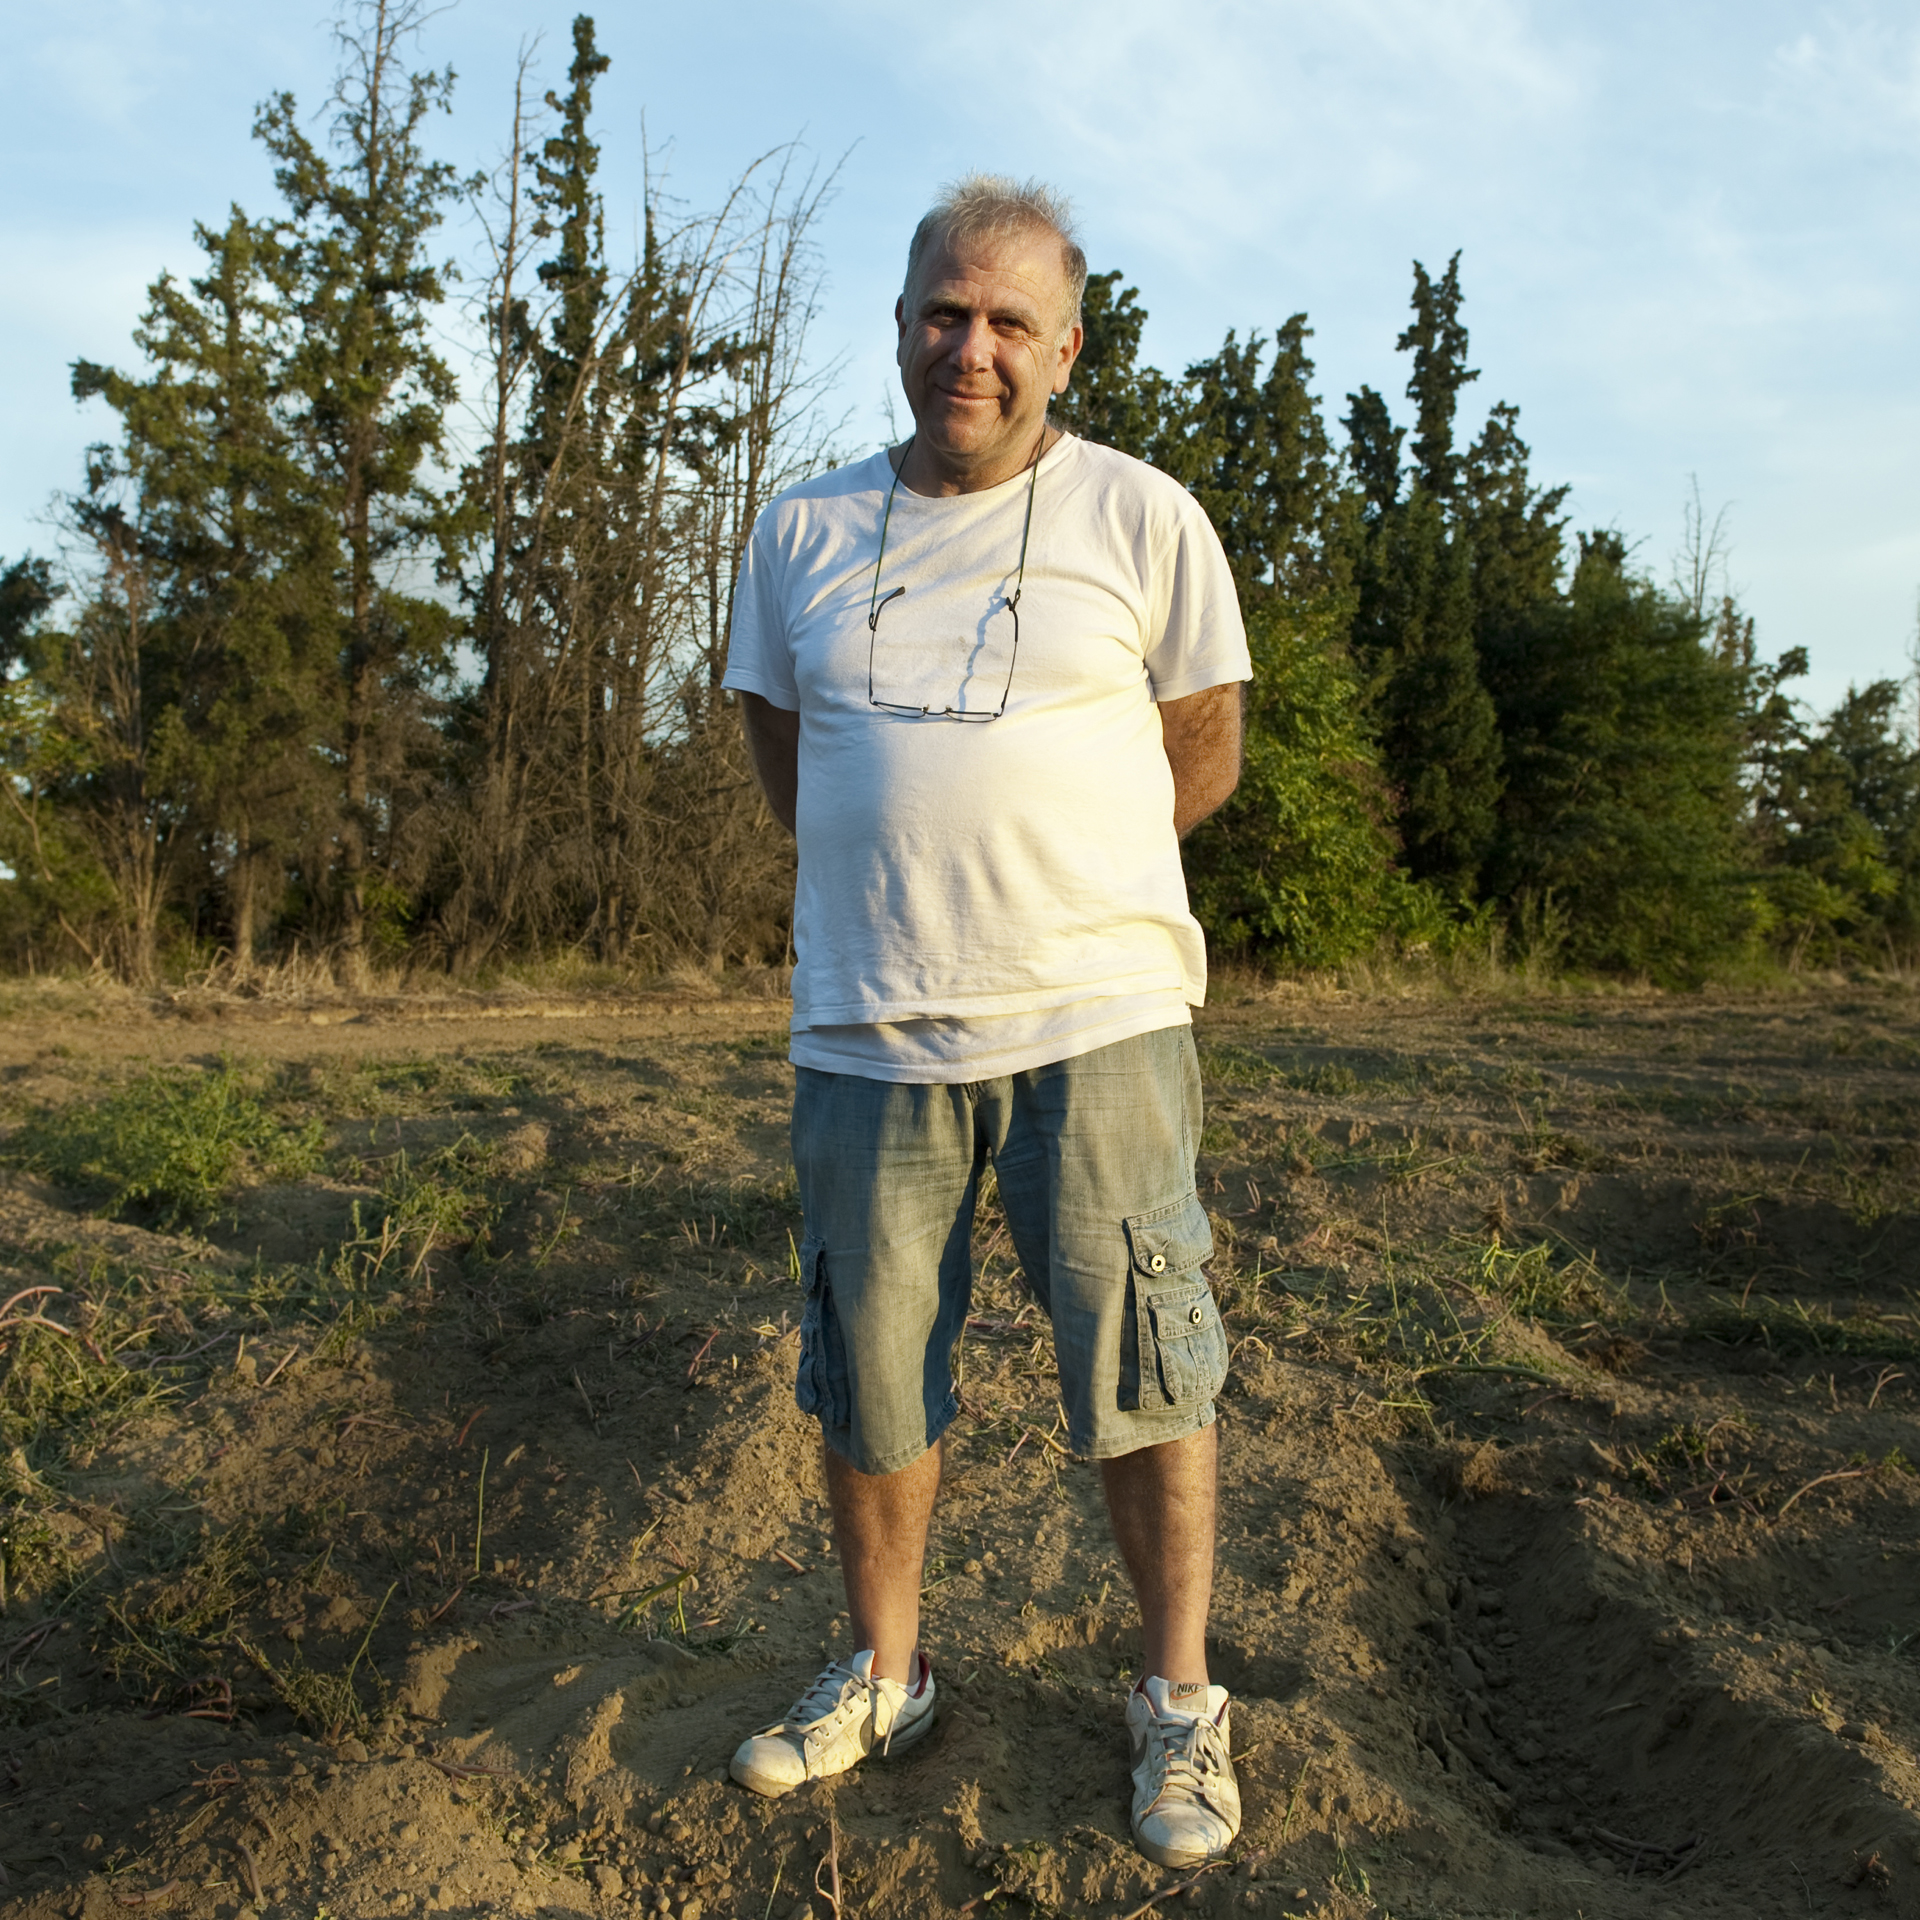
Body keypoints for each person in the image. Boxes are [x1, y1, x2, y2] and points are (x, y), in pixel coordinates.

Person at [719, 174, 1250, 1870]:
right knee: (870, 1374)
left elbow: (1203, 747)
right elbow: (788, 757)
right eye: (945, 312)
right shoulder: (800, 532)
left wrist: (1063, 880)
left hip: (1099, 1021)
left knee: (1146, 1366)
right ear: (898, 326)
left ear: (1066, 350)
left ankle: (1177, 1700)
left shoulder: (1143, 517)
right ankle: (886, 1676)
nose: (974, 347)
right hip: (865, 1034)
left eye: (1011, 320)